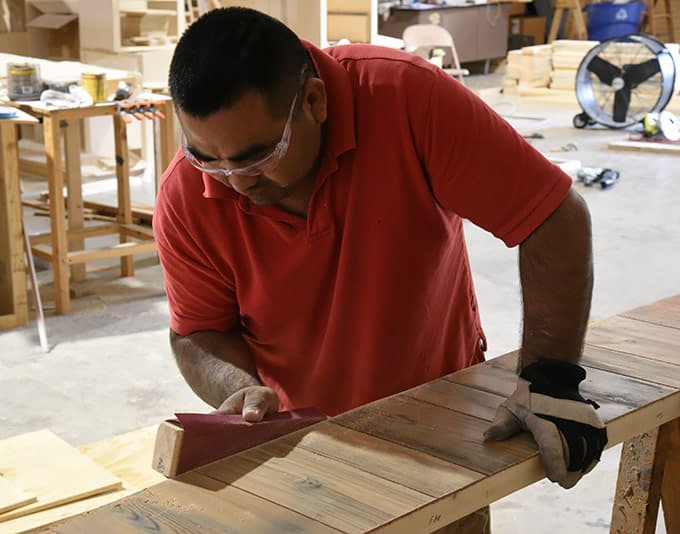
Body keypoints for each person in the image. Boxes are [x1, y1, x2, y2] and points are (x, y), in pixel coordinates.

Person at [153, 7, 607, 531]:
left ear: (315, 102)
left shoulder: (407, 99)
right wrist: (238, 388)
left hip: (443, 422)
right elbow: (199, 331)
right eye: (207, 157)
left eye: (257, 157)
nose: (235, 183)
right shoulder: (188, 194)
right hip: (303, 445)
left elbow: (553, 216)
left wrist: (551, 377)